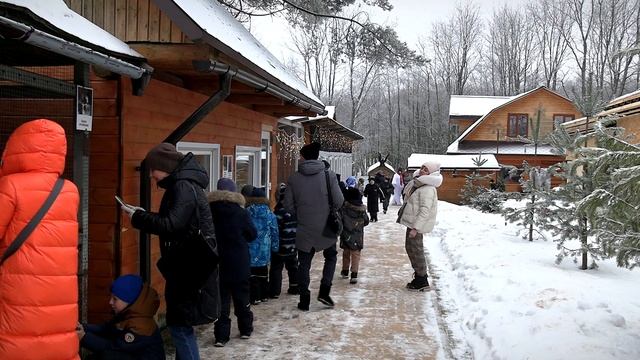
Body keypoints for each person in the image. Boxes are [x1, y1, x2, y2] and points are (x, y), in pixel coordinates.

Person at [126, 142, 219, 360]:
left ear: (164, 166)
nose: (151, 175)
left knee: (179, 326)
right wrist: (142, 214)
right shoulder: (184, 185)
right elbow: (176, 222)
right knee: (182, 324)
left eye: (153, 169)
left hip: (188, 268)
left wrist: (138, 218)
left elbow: (171, 224)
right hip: (189, 265)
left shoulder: (183, 186)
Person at [0, 119, 80, 360]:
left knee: (19, 342)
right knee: (56, 340)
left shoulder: (10, 185)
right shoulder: (70, 189)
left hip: (20, 287)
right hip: (61, 290)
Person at [284, 142, 344, 311]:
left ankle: (304, 298)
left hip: (304, 227)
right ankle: (324, 291)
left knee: (304, 262)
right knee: (331, 256)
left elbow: (287, 205)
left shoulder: (294, 178)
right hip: (326, 226)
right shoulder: (328, 175)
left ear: (303, 157)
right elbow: (339, 201)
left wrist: (300, 213)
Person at [207, 178, 256, 347]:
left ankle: (221, 336)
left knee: (222, 300)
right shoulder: (240, 212)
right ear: (234, 192)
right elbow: (252, 234)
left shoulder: (208, 211)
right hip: (238, 261)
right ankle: (245, 329)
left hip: (216, 261)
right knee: (242, 296)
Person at [77, 274, 165, 360]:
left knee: (108, 356)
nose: (110, 302)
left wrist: (84, 337)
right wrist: (83, 327)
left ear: (129, 301)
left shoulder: (139, 326)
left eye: (115, 299)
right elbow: (106, 329)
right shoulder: (128, 313)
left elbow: (113, 348)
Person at [397, 160, 443, 291]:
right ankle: (419, 276)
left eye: (426, 169)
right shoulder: (420, 184)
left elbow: (424, 210)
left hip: (415, 226)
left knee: (416, 251)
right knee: (411, 248)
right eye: (422, 168)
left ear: (431, 173)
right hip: (412, 223)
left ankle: (421, 280)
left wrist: (416, 228)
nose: (422, 170)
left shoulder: (428, 188)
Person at [245, 187, 279, 305]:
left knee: (252, 274)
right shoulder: (270, 214)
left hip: (250, 248)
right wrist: (275, 246)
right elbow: (274, 232)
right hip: (264, 249)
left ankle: (254, 297)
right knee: (263, 273)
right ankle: (264, 294)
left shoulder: (247, 212)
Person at [269, 183, 299, 298]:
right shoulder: (295, 211)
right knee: (293, 266)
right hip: (292, 244)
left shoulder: (278, 212)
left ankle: (275, 291)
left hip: (280, 245)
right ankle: (294, 286)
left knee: (276, 268)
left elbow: (276, 230)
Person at [339, 188, 369, 284]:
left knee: (346, 252)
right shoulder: (361, 210)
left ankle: (345, 270)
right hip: (357, 236)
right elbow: (366, 221)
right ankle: (354, 274)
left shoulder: (344, 209)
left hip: (346, 234)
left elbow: (340, 220)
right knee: (356, 254)